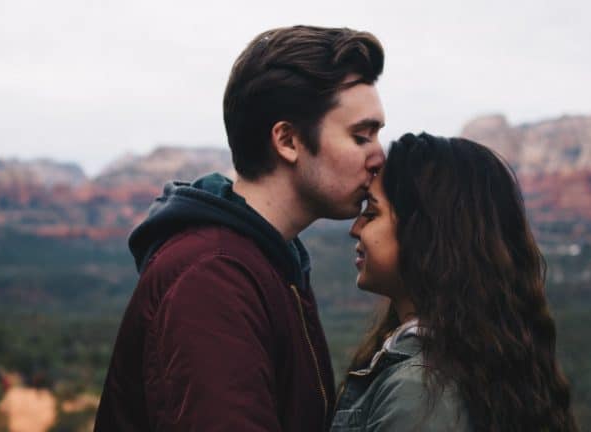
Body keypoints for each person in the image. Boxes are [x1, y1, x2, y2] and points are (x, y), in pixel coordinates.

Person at [95, 25, 386, 431]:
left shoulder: (270, 262)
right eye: (361, 136)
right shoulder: (213, 277)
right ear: (287, 141)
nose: (378, 157)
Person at [332, 132, 579, 431]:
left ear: (423, 233)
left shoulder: (420, 393)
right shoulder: (473, 360)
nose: (355, 229)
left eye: (371, 213)